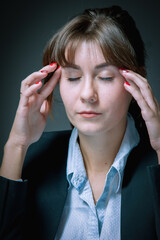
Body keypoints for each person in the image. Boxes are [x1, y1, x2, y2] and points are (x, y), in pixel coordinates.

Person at [0, 5, 160, 240]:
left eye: (105, 77)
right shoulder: (30, 161)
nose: (87, 94)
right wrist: (16, 144)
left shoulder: (155, 162)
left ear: (136, 83)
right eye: (73, 77)